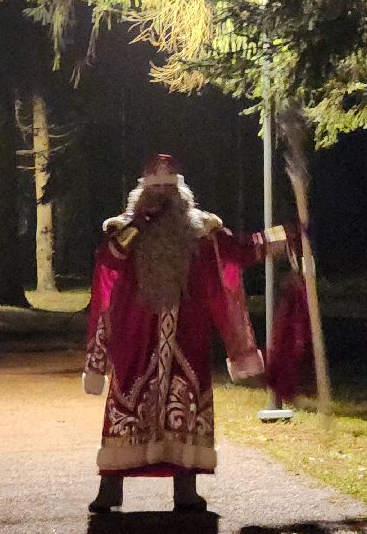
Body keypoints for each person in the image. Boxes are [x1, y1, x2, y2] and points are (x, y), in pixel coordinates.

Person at [83, 154, 288, 513]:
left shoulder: (201, 232)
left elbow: (242, 249)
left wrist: (289, 236)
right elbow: (108, 261)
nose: (162, 196)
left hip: (187, 337)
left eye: (169, 189)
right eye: (155, 189)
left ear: (181, 193)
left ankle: (185, 488)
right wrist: (139, 226)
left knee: (187, 404)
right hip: (136, 338)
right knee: (128, 401)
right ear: (142, 194)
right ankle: (110, 488)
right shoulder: (123, 231)